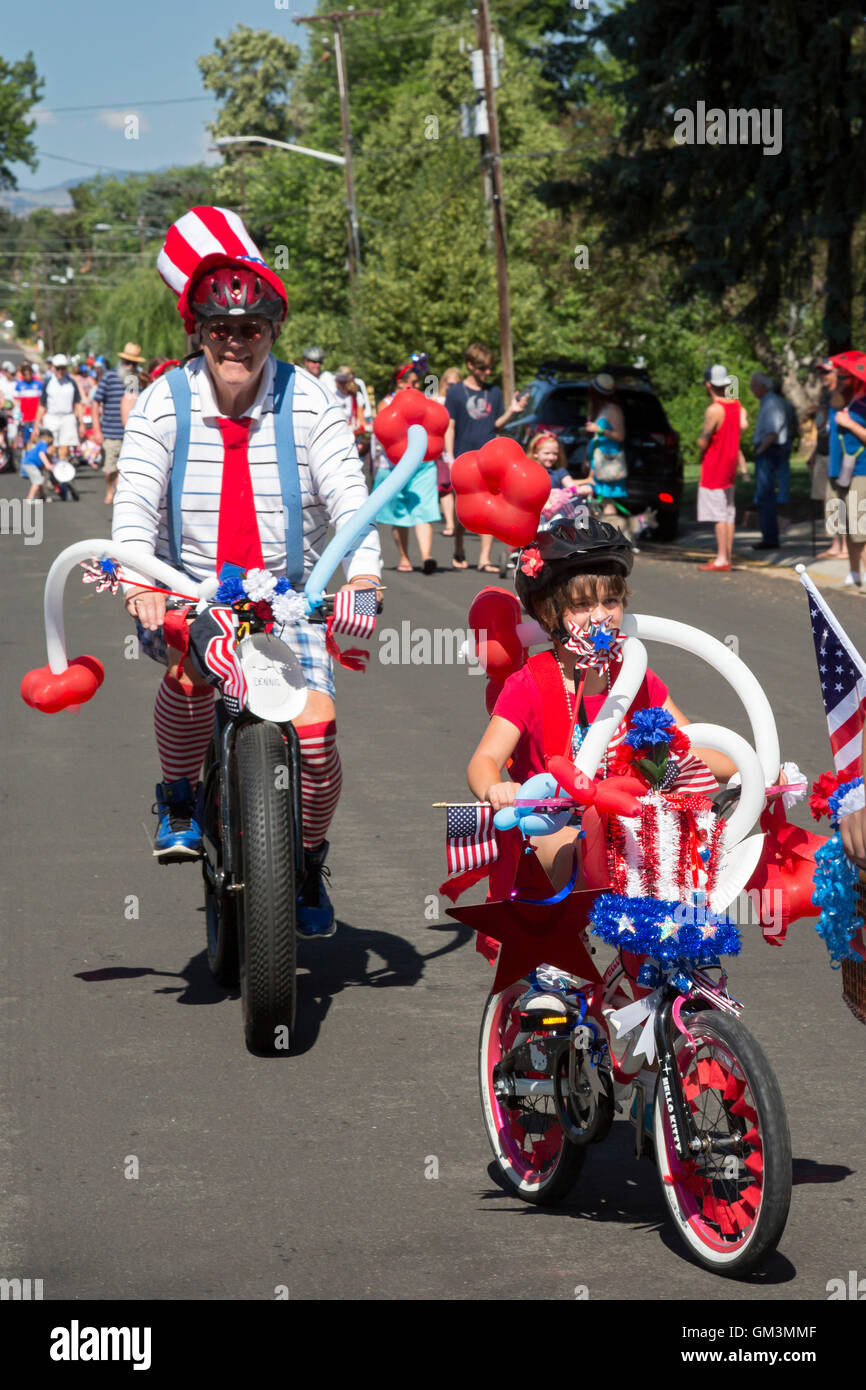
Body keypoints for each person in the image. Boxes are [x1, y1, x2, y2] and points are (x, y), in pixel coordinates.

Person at [112, 204, 382, 937]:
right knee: (190, 677)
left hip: (288, 600)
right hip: (189, 590)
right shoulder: (162, 404)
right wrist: (139, 581)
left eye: (252, 329)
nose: (237, 343)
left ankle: (307, 857)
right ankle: (176, 795)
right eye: (221, 329)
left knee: (320, 744)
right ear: (198, 333)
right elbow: (134, 501)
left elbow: (350, 499)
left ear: (271, 332)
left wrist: (362, 577)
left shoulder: (311, 399)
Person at [466, 519, 734, 892]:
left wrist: (749, 769)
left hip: (628, 823)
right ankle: (566, 945)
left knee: (686, 855)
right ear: (548, 613)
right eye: (581, 604)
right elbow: (483, 761)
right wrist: (496, 789)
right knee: (577, 851)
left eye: (610, 601)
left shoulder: (634, 676)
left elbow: (693, 749)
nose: (600, 615)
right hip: (554, 824)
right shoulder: (530, 682)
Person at [444, 342, 528, 571]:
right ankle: (459, 549)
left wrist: (512, 411)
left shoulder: (494, 392)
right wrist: (450, 456)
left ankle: (484, 558)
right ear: (470, 366)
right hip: (463, 456)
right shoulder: (455, 392)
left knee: (493, 507)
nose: (487, 372)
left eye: (490, 368)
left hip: (490, 458)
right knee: (462, 508)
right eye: (483, 368)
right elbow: (450, 426)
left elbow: (496, 425)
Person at [371, 363, 441, 574]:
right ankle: (404, 557)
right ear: (400, 382)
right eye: (412, 381)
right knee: (399, 513)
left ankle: (427, 556)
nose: (417, 384)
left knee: (424, 508)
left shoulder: (424, 401)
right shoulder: (385, 404)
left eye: (418, 381)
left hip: (423, 465)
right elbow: (383, 431)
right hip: (395, 467)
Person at [695, 365, 749, 571]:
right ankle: (727, 555)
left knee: (718, 514)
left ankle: (721, 558)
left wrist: (699, 443)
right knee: (728, 512)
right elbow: (741, 428)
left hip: (714, 465)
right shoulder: (736, 406)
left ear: (708, 385)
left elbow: (703, 440)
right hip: (730, 465)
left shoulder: (714, 410)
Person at [92, 344, 146, 506]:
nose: (130, 366)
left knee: (127, 468)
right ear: (121, 361)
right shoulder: (109, 377)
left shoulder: (136, 380)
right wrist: (96, 429)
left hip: (132, 433)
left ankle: (121, 493)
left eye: (133, 364)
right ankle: (110, 489)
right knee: (110, 468)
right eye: (127, 362)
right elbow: (96, 402)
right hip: (111, 431)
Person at [830, 360, 866, 588]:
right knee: (848, 527)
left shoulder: (863, 406)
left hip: (861, 472)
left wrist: (850, 424)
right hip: (843, 471)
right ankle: (854, 572)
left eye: (844, 377)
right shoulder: (849, 401)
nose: (839, 381)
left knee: (861, 528)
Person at [749, 373, 788, 550]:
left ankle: (770, 538)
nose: (751, 389)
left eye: (753, 386)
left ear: (763, 386)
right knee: (763, 496)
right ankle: (768, 536)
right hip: (766, 451)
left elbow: (772, 432)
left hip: (768, 451)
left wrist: (760, 450)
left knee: (765, 495)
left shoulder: (771, 403)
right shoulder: (767, 401)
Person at [811, 360, 845, 560]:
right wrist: (814, 453)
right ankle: (835, 543)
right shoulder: (824, 396)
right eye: (821, 373)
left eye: (827, 372)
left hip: (837, 454)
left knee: (839, 498)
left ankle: (845, 546)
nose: (823, 376)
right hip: (822, 452)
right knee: (828, 499)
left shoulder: (840, 397)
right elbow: (823, 428)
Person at [585, 373, 627, 519]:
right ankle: (603, 535)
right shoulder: (599, 409)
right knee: (599, 500)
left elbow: (620, 436)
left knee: (608, 501)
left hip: (608, 462)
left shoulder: (613, 410)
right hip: (598, 461)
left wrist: (600, 430)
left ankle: (612, 533)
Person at [35, 353, 83, 462]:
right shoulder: (48, 382)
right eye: (58, 368)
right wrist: (37, 424)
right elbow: (42, 405)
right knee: (50, 447)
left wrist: (81, 422)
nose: (60, 371)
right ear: (54, 368)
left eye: (63, 368)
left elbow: (78, 403)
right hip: (52, 417)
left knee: (64, 448)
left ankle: (62, 470)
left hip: (67, 417)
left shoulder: (71, 382)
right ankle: (51, 469)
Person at [436, 366, 462, 537]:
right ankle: (451, 523)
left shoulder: (461, 401)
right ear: (443, 383)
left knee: (460, 487)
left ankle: (461, 522)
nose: (451, 388)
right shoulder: (436, 400)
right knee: (445, 486)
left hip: (460, 444)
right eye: (449, 384)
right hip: (443, 448)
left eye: (455, 385)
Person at [20, 428, 56, 503]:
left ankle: (42, 496)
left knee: (41, 479)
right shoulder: (43, 443)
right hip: (31, 464)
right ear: (49, 437)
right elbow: (41, 454)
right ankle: (30, 498)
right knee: (37, 481)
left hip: (32, 464)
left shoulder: (39, 443)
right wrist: (48, 464)